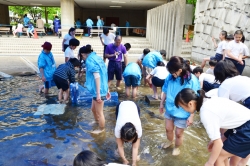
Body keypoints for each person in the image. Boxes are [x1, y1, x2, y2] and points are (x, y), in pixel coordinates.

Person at [174, 88, 250, 166]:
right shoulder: (208, 100)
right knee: (221, 155)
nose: (184, 110)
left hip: (246, 128)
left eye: (182, 107)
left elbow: (219, 144)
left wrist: (209, 163)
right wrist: (214, 140)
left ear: (190, 103)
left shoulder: (205, 112)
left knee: (217, 158)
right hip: (241, 124)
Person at [159, 56, 200, 156]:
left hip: (183, 111)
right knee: (168, 129)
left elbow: (195, 99)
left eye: (173, 72)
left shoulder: (192, 80)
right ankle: (170, 141)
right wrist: (161, 104)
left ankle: (177, 147)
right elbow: (165, 90)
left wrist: (191, 115)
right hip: (170, 108)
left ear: (180, 70)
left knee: (178, 133)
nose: (171, 74)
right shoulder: (170, 77)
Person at [79, 45, 110, 134]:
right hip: (100, 88)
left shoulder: (89, 60)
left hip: (99, 90)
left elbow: (97, 76)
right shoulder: (97, 57)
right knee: (93, 109)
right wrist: (107, 89)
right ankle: (97, 122)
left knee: (100, 112)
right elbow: (104, 73)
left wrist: (99, 94)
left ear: (82, 54)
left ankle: (101, 129)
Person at [115, 101, 142, 166]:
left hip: (134, 106)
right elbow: (120, 146)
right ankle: (120, 153)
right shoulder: (118, 129)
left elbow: (135, 147)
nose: (129, 142)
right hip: (121, 106)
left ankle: (134, 157)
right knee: (119, 148)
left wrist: (134, 163)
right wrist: (124, 160)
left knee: (136, 148)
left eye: (131, 140)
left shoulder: (138, 129)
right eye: (126, 141)